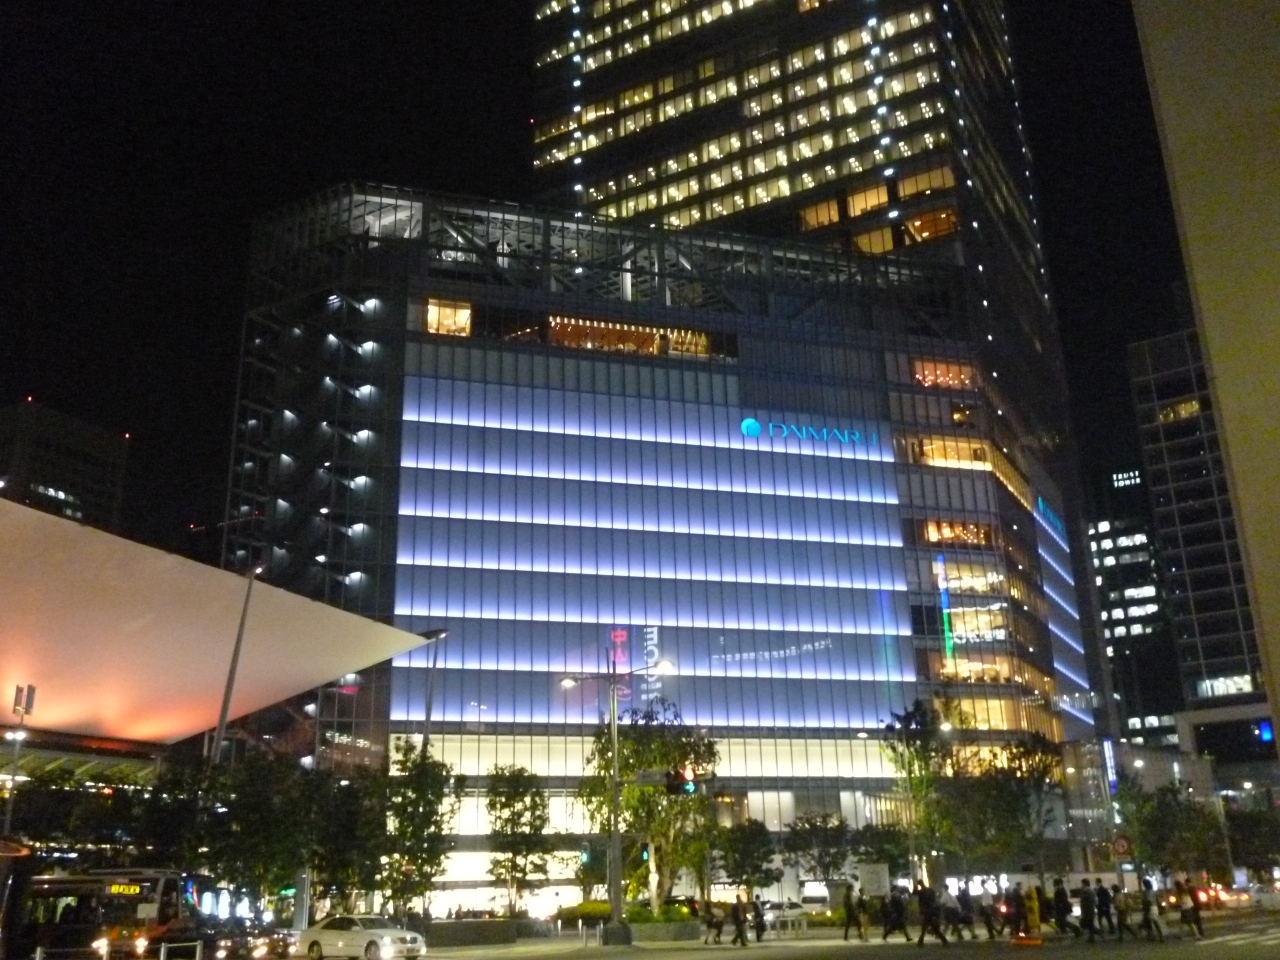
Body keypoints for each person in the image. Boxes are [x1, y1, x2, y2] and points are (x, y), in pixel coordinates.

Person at [914, 881, 949, 946]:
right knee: (931, 927)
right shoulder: (930, 890)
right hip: (932, 910)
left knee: (926, 927)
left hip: (926, 911)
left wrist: (915, 886)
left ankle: (921, 941)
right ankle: (921, 941)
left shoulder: (922, 892)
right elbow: (933, 898)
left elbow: (914, 893)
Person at [1079, 878, 1097, 943]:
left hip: (1087, 910)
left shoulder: (1086, 891)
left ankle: (1096, 934)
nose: (1081, 885)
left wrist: (1083, 910)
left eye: (1082, 883)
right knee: (1090, 924)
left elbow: (1084, 901)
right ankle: (1092, 937)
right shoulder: (1091, 890)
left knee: (1089, 924)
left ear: (1085, 883)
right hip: (1090, 909)